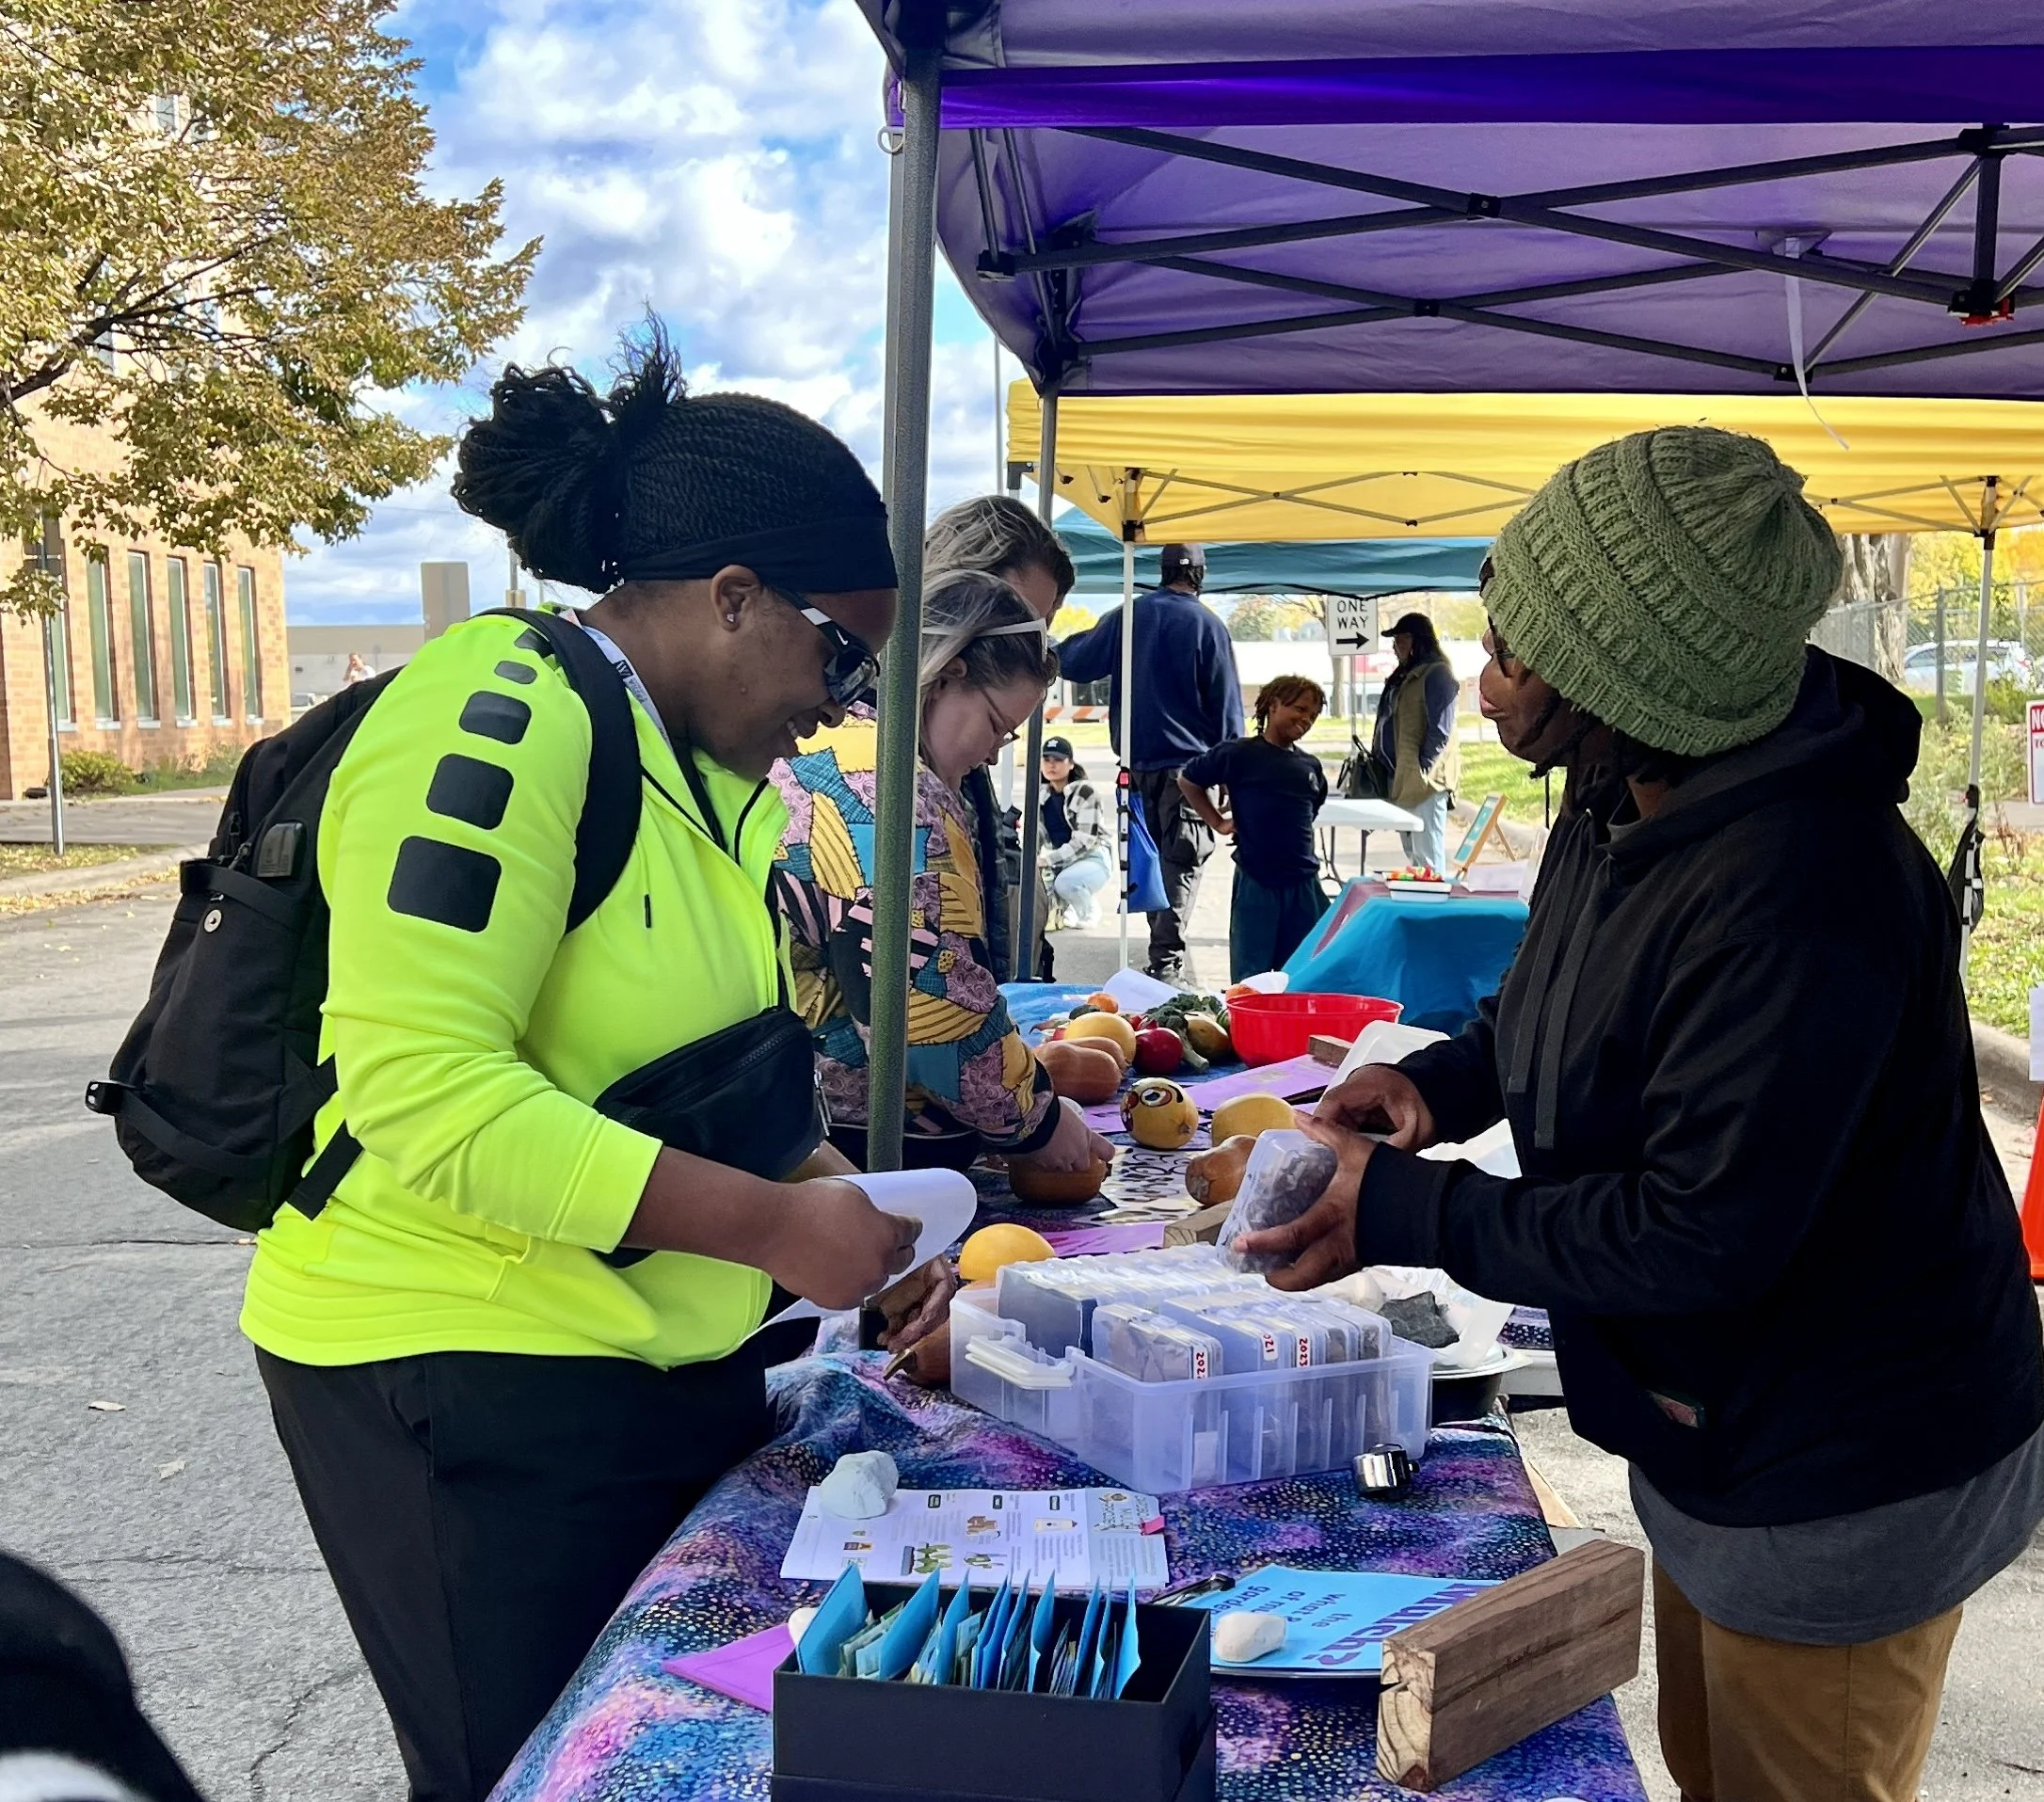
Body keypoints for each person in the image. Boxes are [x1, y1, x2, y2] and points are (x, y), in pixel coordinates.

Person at [1238, 426, 2044, 1802]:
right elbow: (1560, 999)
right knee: (1708, 1758)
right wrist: (1440, 1083)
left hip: (1845, 1456)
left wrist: (1402, 1207)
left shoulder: (1808, 887)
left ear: (1631, 681)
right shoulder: (1627, 783)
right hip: (1713, 1418)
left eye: (1517, 655)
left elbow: (1699, 1230)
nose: (1484, 681)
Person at [242, 327, 932, 1802]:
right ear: (735, 596)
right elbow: (430, 1092)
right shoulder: (497, 715)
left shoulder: (702, 774)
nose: (848, 702)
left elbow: (667, 1077)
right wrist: (770, 1228)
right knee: (541, 1771)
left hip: (629, 1367)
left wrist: (833, 1201)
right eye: (845, 651)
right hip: (458, 1378)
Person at [774, 569, 1115, 1174]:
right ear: (947, 672)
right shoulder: (887, 788)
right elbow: (922, 1002)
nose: (992, 753)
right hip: (848, 1134)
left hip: (812, 1111)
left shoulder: (841, 746)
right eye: (994, 726)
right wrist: (1035, 1122)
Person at [1057, 543, 1242, 983]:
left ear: (1159, 573)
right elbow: (1227, 707)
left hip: (1136, 767)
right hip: (1190, 773)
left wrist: (1040, 642)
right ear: (1200, 574)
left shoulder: (1129, 616)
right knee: (1181, 861)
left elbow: (1075, 662)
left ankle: (1160, 960)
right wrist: (1232, 773)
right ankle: (1166, 964)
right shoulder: (1208, 625)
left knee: (1147, 862)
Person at [921, 496, 1076, 981]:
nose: (1023, 640)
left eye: (1039, 628)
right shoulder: (873, 766)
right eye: (1011, 614)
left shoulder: (949, 739)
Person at [1176, 675, 1330, 980]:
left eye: (1312, 715)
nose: (1306, 719)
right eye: (1299, 708)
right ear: (1272, 705)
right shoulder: (1239, 754)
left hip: (1304, 885)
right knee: (1252, 977)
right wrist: (1218, 822)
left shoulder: (1310, 766)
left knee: (1303, 974)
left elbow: (1310, 811)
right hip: (1257, 881)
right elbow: (1188, 779)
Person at [1371, 610, 1460, 871]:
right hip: (1402, 776)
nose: (1396, 646)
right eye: (1395, 640)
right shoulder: (1404, 675)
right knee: (1413, 853)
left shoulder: (1437, 674)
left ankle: (1434, 910)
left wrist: (1423, 768)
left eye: (1401, 639)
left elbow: (1441, 729)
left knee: (1428, 855)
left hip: (1426, 781)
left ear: (1417, 641)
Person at [1038, 734, 1113, 929]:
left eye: (1058, 760)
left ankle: (1089, 909)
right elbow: (1036, 835)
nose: (1051, 765)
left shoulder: (1085, 792)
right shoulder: (1040, 796)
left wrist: (1047, 860)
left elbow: (1085, 842)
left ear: (1071, 764)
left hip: (1094, 858)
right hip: (1063, 862)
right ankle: (1068, 909)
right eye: (1046, 760)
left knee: (1065, 882)